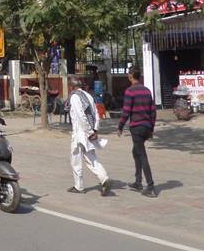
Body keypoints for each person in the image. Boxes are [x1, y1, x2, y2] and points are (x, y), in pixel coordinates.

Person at [67, 76, 111, 196]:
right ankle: (104, 179)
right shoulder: (88, 96)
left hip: (80, 133)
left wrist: (89, 132)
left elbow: (81, 116)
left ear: (72, 86)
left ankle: (79, 186)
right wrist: (95, 129)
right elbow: (96, 113)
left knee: (76, 159)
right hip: (89, 131)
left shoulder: (75, 97)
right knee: (91, 158)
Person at [118, 67, 157, 197]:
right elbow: (153, 111)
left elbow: (126, 111)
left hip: (137, 127)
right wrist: (151, 128)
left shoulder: (130, 91)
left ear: (130, 76)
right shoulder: (147, 91)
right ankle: (138, 181)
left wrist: (120, 126)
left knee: (141, 155)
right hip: (146, 126)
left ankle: (150, 186)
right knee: (136, 152)